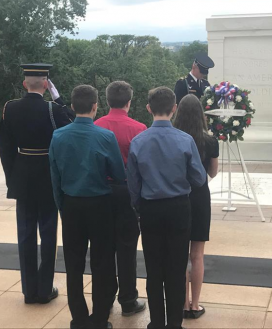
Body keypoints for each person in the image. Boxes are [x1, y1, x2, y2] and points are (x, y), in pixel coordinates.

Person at [127, 87, 206, 329]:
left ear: (149, 109)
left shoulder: (138, 141)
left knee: (154, 269)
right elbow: (199, 178)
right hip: (178, 208)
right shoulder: (185, 140)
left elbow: (133, 184)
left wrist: (141, 208)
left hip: (150, 209)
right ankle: (174, 323)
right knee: (176, 267)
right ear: (174, 109)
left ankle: (157, 323)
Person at [49, 85, 126, 329]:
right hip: (100, 205)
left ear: (72, 107)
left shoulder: (58, 136)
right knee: (102, 263)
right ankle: (100, 317)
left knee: (73, 264)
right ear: (95, 106)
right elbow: (119, 174)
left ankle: (79, 319)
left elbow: (55, 178)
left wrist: (63, 207)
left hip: (72, 205)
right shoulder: (105, 137)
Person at [0, 63, 74, 304]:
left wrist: (12, 178)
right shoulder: (53, 109)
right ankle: (44, 288)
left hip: (22, 174)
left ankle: (29, 291)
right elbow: (73, 123)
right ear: (45, 84)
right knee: (48, 233)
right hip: (47, 175)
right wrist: (58, 97)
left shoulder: (9, 108)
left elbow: (5, 149)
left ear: (24, 84)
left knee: (26, 234)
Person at [94, 81, 146, 316]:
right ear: (129, 102)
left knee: (103, 248)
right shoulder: (139, 128)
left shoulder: (95, 126)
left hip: (101, 192)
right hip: (127, 192)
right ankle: (128, 300)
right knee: (127, 250)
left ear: (107, 101)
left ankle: (104, 301)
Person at [173, 94, 219, 319]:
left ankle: (182, 303)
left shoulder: (174, 138)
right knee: (197, 255)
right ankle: (195, 305)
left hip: (179, 196)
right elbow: (213, 173)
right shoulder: (210, 141)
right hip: (200, 196)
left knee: (181, 254)